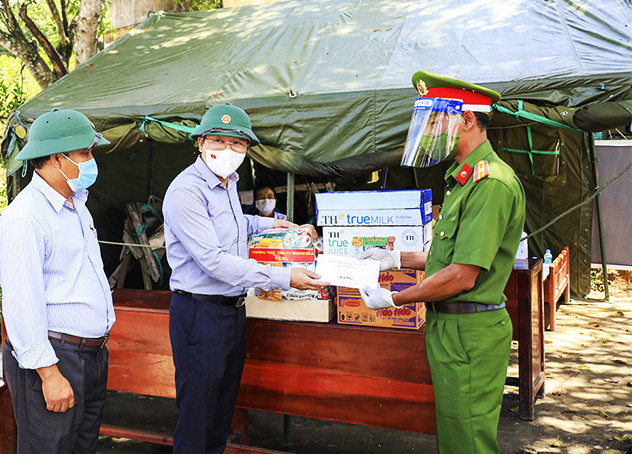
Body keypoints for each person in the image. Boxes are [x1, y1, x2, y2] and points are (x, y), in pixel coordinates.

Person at [360, 71, 526, 454]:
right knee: (455, 436)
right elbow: (448, 256)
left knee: (467, 442)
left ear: (467, 120)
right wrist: (395, 259)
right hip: (451, 326)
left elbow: (461, 276)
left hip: (468, 329)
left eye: (436, 119)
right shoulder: (463, 180)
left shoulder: (491, 184)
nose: (432, 131)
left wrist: (395, 299)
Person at [162, 102, 328, 454]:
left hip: (231, 312)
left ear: (247, 149)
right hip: (199, 313)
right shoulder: (186, 191)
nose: (228, 150)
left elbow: (237, 227)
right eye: (219, 141)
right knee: (197, 419)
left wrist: (276, 224)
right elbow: (214, 260)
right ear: (201, 142)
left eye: (237, 143)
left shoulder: (227, 182)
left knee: (221, 414)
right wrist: (284, 277)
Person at [0, 108, 115, 454]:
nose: (91, 160)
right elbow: (21, 304)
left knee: (81, 448)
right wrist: (49, 374)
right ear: (54, 159)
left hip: (89, 356)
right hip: (53, 358)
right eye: (84, 153)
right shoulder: (25, 219)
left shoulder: (76, 204)